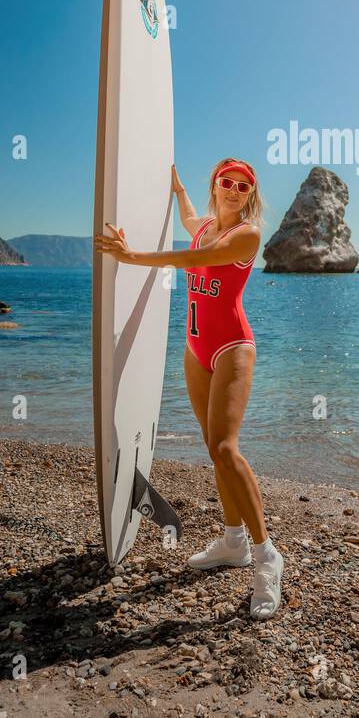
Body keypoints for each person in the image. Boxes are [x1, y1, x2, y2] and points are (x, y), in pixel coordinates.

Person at [94, 157, 283, 620]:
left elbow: (189, 259)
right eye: (227, 182)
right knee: (211, 446)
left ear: (250, 194)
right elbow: (188, 222)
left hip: (232, 347)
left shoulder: (247, 234)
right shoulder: (202, 225)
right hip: (195, 348)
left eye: (243, 186)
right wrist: (177, 190)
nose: (235, 190)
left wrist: (131, 256)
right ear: (215, 186)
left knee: (225, 447)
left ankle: (266, 558)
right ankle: (232, 541)